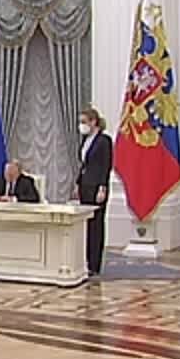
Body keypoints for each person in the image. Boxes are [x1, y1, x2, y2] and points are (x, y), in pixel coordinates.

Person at [76, 106, 113, 277]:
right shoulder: (85, 140)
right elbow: (84, 164)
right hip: (85, 185)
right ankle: (84, 260)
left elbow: (105, 166)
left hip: (97, 187)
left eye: (84, 122)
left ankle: (95, 264)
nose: (81, 125)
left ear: (94, 122)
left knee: (96, 224)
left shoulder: (104, 141)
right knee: (85, 223)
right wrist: (77, 184)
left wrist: (102, 188)